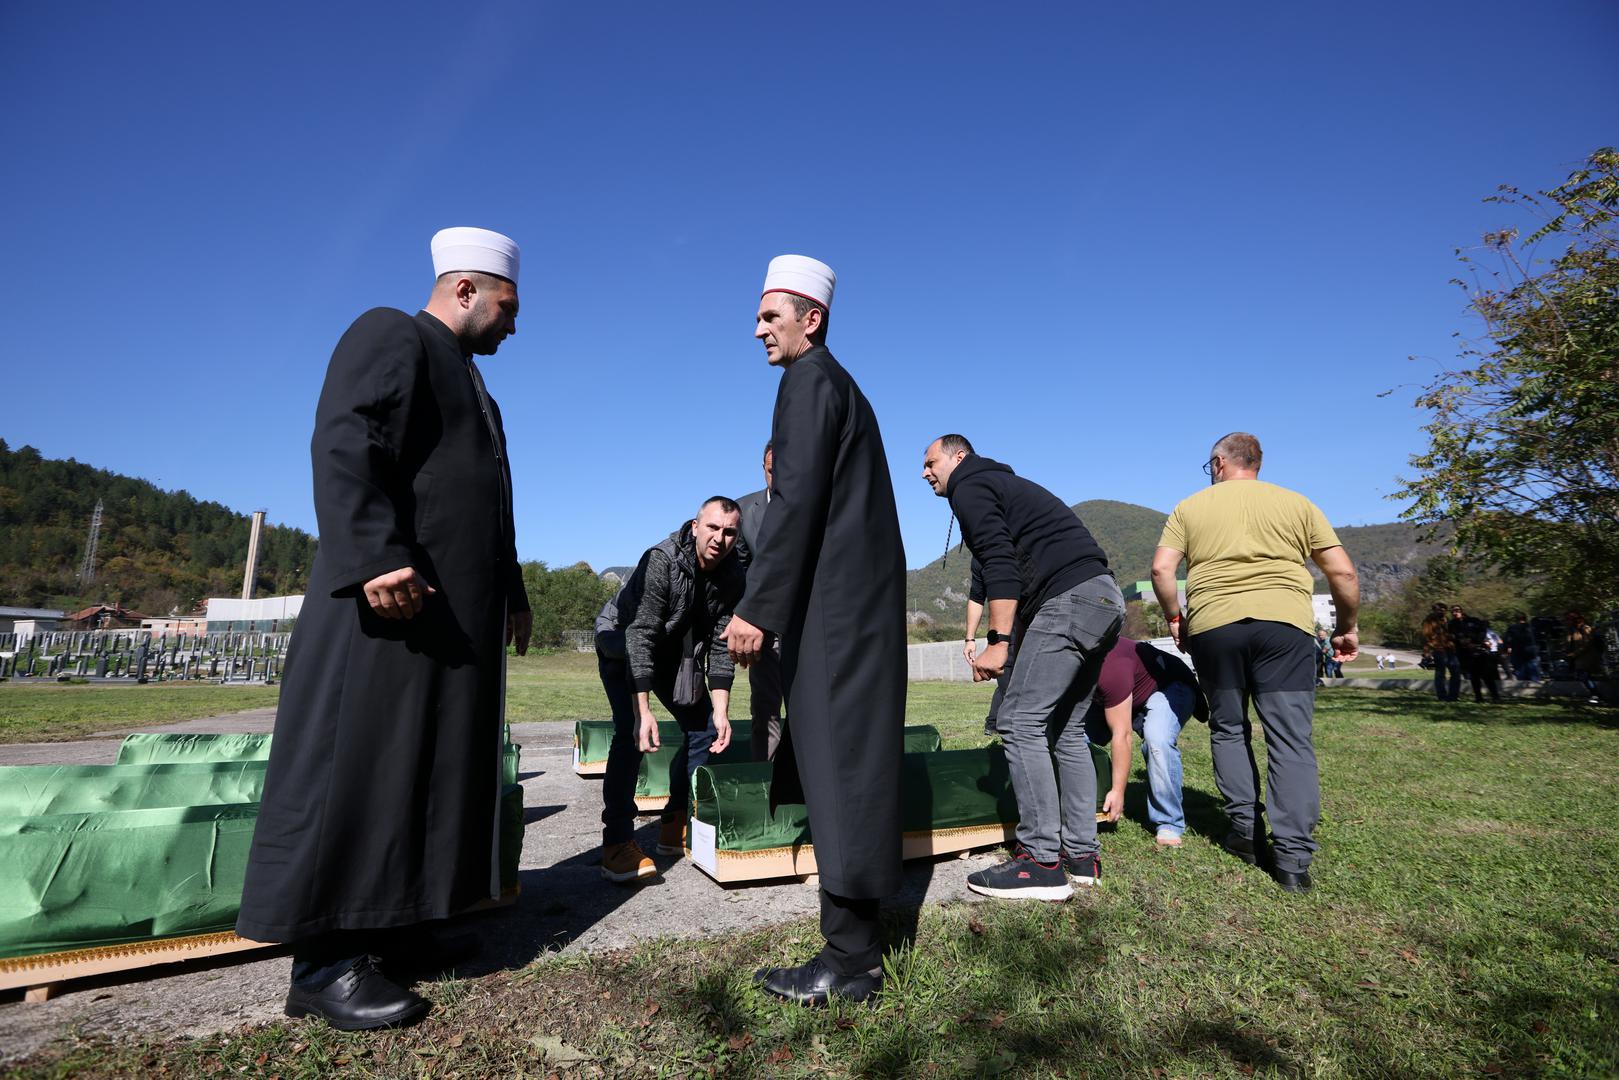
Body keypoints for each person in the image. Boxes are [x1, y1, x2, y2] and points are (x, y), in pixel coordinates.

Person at [237, 227, 530, 1030]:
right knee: (360, 772)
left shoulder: (475, 385)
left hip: (445, 620)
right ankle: (324, 965)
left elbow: (487, 505)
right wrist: (374, 554)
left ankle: (399, 930)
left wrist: (511, 592)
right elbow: (346, 440)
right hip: (386, 608)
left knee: (424, 772)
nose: (514, 324)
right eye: (507, 306)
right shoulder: (390, 333)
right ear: (464, 290)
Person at [722, 255, 906, 1007]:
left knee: (842, 772)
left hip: (834, 617)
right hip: (849, 611)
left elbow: (793, 505)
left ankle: (852, 961)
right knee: (842, 768)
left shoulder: (807, 382)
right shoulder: (837, 385)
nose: (757, 329)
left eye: (770, 316)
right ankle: (852, 946)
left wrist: (756, 608)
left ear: (812, 318)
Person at [1151, 432, 1359, 894]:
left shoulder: (1190, 507)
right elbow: (1342, 571)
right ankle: (1292, 861)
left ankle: (1245, 832)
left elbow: (1162, 570)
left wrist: (1175, 617)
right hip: (1284, 628)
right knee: (1290, 739)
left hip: (1214, 628)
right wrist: (1347, 626)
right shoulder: (1297, 504)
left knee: (1229, 728)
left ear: (1219, 463)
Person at [922, 434, 1123, 900]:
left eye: (931, 462)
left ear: (958, 456)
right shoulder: (1003, 485)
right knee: (1068, 730)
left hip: (1068, 599)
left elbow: (999, 564)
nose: (925, 472)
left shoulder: (970, 486)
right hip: (1103, 598)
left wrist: (998, 642)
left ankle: (1040, 862)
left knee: (1018, 720)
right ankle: (1082, 855)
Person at [594, 498, 746, 881]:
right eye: (712, 528)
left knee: (705, 731)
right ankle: (616, 844)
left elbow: (720, 644)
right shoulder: (661, 560)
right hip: (620, 643)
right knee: (631, 734)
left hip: (669, 651)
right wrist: (643, 712)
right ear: (695, 527)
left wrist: (721, 710)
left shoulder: (732, 573)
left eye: (729, 532)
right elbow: (641, 633)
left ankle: (674, 823)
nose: (720, 538)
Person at [1082, 637, 1205, 846]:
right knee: (1072, 737)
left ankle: (1168, 821)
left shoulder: (1111, 664)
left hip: (1167, 685)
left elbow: (1122, 734)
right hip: (1120, 693)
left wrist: (1118, 791)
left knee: (1157, 738)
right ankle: (1085, 804)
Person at [735, 443, 784, 761]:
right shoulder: (743, 511)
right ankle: (766, 779)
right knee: (765, 712)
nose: (777, 477)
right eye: (770, 470)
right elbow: (740, 573)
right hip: (763, 630)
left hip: (809, 628)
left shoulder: (821, 506)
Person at [1448, 604, 1501, 704]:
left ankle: (1495, 696)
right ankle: (1478, 697)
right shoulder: (1452, 624)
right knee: (1474, 675)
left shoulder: (1473, 620)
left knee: (1486, 674)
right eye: (1453, 611)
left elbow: (1482, 631)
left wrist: (1474, 641)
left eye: (1457, 610)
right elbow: (1452, 637)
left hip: (1478, 650)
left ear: (1462, 611)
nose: (1455, 613)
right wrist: (1460, 641)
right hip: (1465, 652)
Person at [1421, 602, 1461, 702]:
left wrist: (1452, 637)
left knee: (1456, 671)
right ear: (1434, 610)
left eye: (1444, 609)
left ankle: (1453, 696)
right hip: (1438, 649)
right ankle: (1442, 696)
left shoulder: (1446, 620)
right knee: (1440, 673)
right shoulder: (1429, 621)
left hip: (1450, 648)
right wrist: (1427, 651)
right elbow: (1426, 637)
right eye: (1439, 609)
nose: (1442, 611)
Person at [1566, 611, 1606, 703]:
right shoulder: (1574, 629)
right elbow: (1570, 642)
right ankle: (1595, 695)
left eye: (1570, 620)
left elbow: (1587, 644)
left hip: (1587, 656)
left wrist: (1575, 653)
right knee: (1583, 675)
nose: (1568, 621)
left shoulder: (1585, 628)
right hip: (1581, 657)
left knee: (1583, 675)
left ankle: (1596, 695)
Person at [1503, 613, 1540, 682]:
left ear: (1516, 619)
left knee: (1520, 669)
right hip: (1531, 650)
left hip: (1518, 651)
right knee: (1532, 668)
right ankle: (1535, 682)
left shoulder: (1512, 627)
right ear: (1525, 618)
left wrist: (1507, 648)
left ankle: (1522, 684)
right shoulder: (1532, 627)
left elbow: (1507, 639)